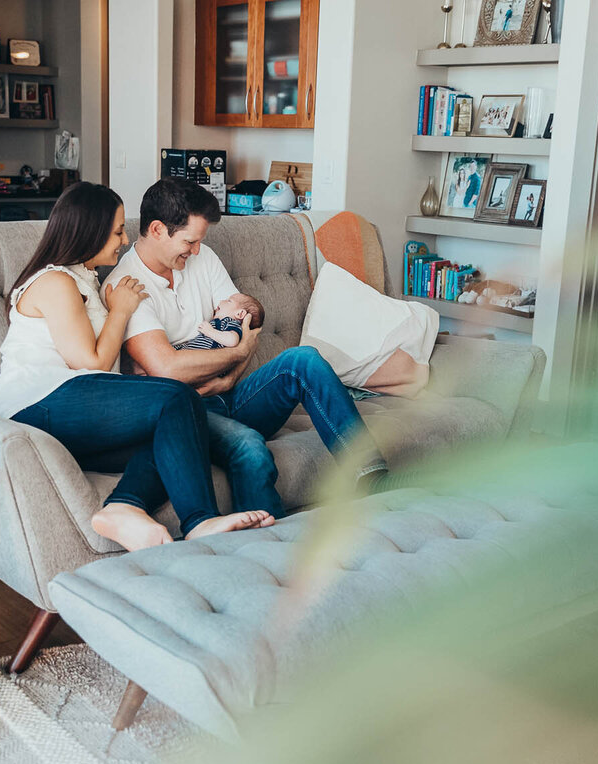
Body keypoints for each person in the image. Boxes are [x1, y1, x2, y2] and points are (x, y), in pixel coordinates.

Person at [0, 181, 274, 551]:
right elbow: (90, 362)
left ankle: (123, 506)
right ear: (88, 232)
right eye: (118, 230)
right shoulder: (55, 281)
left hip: (74, 409)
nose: (124, 239)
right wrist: (121, 311)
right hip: (40, 402)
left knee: (180, 432)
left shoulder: (84, 279)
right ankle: (200, 520)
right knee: (175, 396)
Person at [103, 177, 389, 520]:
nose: (195, 251)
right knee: (250, 447)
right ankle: (264, 546)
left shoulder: (203, 258)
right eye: (189, 241)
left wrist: (230, 375)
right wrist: (234, 356)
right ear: (157, 229)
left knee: (304, 361)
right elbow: (168, 370)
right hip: (185, 416)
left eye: (199, 242)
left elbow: (246, 327)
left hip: (231, 393)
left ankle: (372, 478)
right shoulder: (125, 285)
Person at [175, 292, 264, 351]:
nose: (221, 301)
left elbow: (232, 340)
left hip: (203, 362)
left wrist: (210, 331)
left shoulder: (232, 323)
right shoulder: (220, 323)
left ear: (240, 314)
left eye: (229, 301)